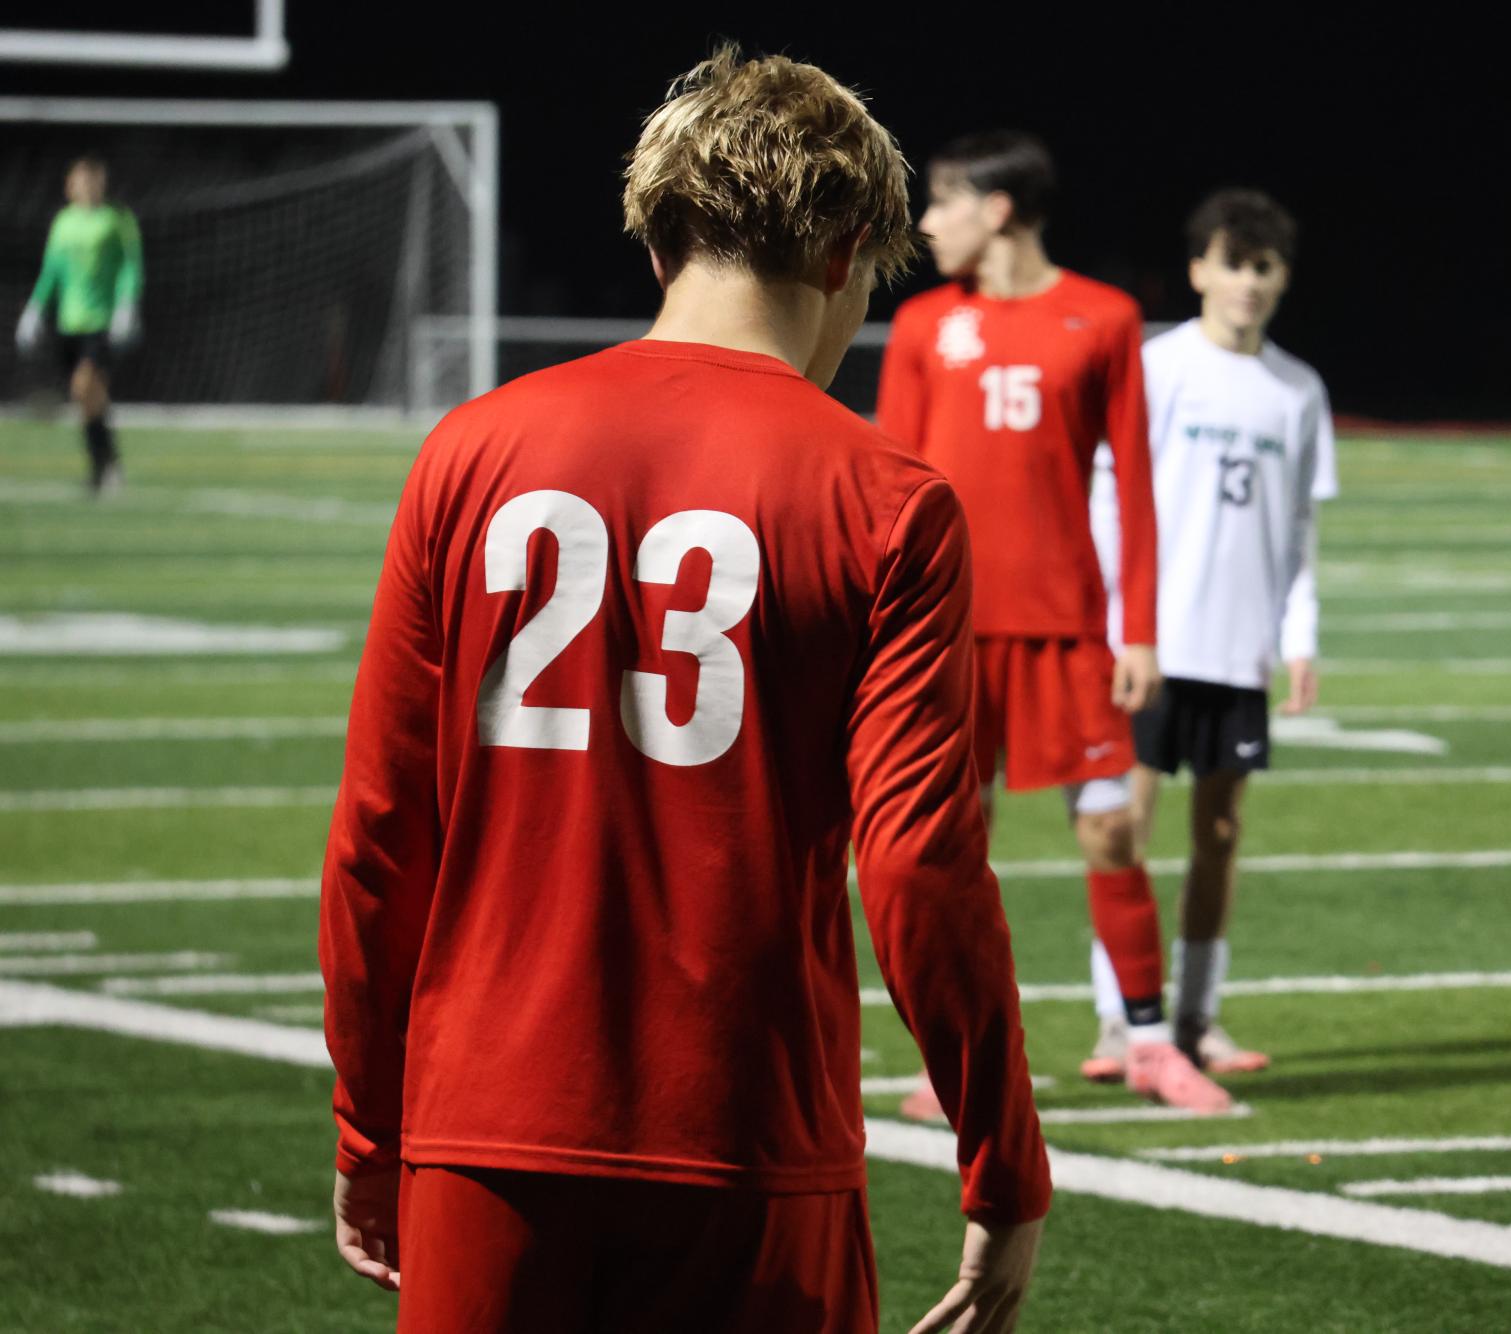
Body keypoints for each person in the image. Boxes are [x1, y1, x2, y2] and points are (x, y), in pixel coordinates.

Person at [320, 47, 1049, 1333]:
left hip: (483, 1124)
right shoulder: (887, 497)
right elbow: (922, 865)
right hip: (746, 1135)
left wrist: (372, 1126)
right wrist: (1002, 1160)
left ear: (658, 242)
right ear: (850, 250)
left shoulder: (472, 450)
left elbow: (382, 834)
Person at [877, 132, 1231, 1115]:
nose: (925, 222)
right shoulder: (919, 325)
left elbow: (1139, 486)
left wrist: (1142, 629)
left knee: (1113, 829)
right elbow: (890, 484)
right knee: (950, 844)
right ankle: (956, 1058)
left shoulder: (1105, 318)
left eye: (941, 202)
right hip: (943, 635)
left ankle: (1152, 1041)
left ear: (997, 209)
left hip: (1069, 632)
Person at [1086, 188, 1337, 1078]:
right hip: (1152, 641)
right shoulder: (1158, 369)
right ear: (1198, 269)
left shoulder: (1298, 390)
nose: (1247, 282)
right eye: (1232, 263)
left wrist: (1298, 636)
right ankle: (1123, 1021)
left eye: (1264, 267)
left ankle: (1197, 1017)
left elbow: (1299, 529)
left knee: (1220, 835)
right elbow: (1109, 500)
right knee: (1126, 826)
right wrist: (1117, 623)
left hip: (1239, 647)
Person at [14, 155, 142, 496]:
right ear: (70, 185)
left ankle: (106, 462)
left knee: (83, 387)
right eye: (79, 181)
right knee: (89, 400)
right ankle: (103, 465)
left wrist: (126, 305)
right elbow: (51, 270)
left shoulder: (116, 219)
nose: (85, 187)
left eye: (91, 181)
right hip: (68, 322)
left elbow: (132, 265)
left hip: (101, 322)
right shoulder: (64, 223)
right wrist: (35, 309)